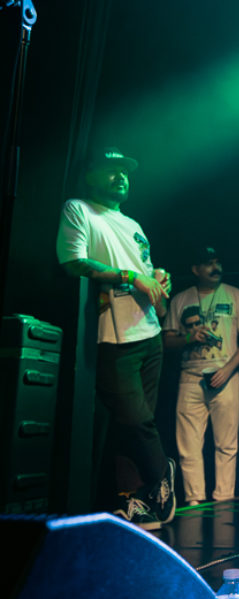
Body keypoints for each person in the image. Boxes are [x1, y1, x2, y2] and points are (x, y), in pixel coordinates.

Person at [56, 147, 176, 529]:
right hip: (114, 337)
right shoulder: (79, 209)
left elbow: (147, 275)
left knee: (133, 428)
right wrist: (130, 276)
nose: (120, 175)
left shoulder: (133, 224)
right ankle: (162, 475)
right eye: (111, 169)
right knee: (135, 421)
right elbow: (73, 261)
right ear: (90, 176)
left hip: (150, 334)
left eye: (124, 170)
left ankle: (133, 502)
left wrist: (157, 279)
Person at [163, 247, 239, 505]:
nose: (216, 268)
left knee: (227, 444)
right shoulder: (181, 299)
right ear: (195, 270)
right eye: (208, 264)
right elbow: (166, 341)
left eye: (217, 262)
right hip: (190, 376)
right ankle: (194, 500)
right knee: (188, 445)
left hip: (226, 376)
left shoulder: (236, 296)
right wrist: (189, 337)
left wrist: (227, 370)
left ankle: (224, 499)